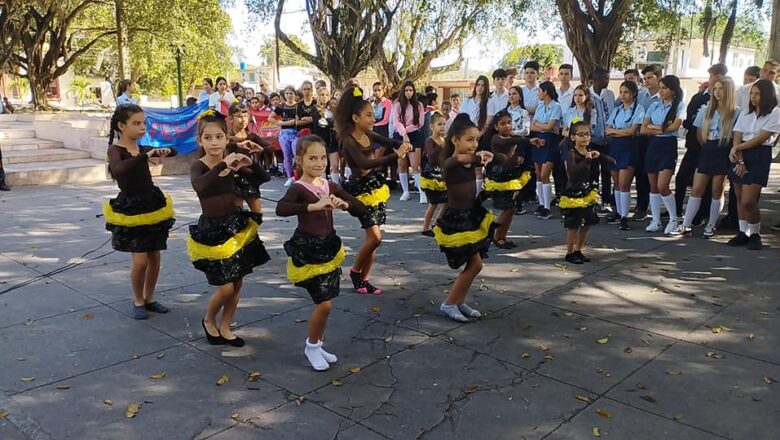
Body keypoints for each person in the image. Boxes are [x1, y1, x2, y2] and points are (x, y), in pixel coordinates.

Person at [276, 135, 366, 371]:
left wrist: (346, 205)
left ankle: (318, 344)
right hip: (308, 252)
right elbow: (281, 208)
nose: (319, 163)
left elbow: (359, 206)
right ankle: (312, 346)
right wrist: (312, 206)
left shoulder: (328, 185)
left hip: (328, 249)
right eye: (312, 158)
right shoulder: (299, 188)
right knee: (324, 304)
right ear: (299, 160)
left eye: (322, 158)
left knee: (328, 301)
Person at [188, 110, 271, 347]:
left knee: (237, 281)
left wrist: (249, 163)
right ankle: (208, 319)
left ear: (226, 138)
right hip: (213, 231)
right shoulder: (200, 165)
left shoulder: (233, 160)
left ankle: (226, 325)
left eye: (219, 137)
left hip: (235, 226)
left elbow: (263, 177)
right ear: (200, 140)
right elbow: (200, 187)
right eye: (208, 138)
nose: (214, 142)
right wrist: (222, 165)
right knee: (224, 286)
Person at [335, 86, 411, 295]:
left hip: (375, 187)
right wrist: (396, 156)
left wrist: (404, 143)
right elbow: (364, 164)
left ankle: (364, 280)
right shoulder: (348, 140)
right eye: (368, 115)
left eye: (373, 114)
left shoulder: (368, 133)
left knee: (373, 243)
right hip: (360, 193)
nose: (372, 118)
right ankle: (355, 272)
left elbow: (390, 141)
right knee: (375, 238)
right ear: (355, 117)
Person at [103, 104, 176, 320]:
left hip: (152, 203)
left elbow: (175, 150)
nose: (142, 127)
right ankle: (137, 299)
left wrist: (166, 151)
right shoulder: (115, 150)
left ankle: (149, 298)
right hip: (131, 209)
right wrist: (145, 156)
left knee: (154, 256)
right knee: (140, 260)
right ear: (121, 126)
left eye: (144, 123)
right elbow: (118, 169)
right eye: (136, 123)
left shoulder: (143, 148)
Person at [434, 114, 496, 322]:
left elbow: (483, 159)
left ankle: (459, 301)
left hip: (471, 216)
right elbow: (461, 159)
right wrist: (480, 158)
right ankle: (449, 303)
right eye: (469, 140)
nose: (474, 144)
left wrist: (488, 156)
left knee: (475, 265)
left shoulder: (471, 160)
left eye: (476, 140)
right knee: (475, 265)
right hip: (457, 221)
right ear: (454, 140)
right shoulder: (450, 161)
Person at [671, 76, 740, 238]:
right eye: (714, 89)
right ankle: (685, 225)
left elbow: (737, 135)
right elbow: (699, 133)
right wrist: (707, 145)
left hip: (724, 150)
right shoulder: (706, 109)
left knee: (717, 189)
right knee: (697, 188)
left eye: (721, 89)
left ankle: (711, 225)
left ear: (729, 91)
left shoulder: (737, 112)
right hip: (708, 150)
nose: (717, 92)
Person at [726, 80, 780, 250]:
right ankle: (743, 232)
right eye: (752, 93)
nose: (753, 97)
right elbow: (737, 135)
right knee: (739, 196)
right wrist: (739, 158)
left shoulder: (775, 113)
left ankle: (755, 233)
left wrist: (737, 147)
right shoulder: (745, 113)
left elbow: (762, 138)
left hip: (759, 154)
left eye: (757, 94)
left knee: (749, 200)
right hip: (741, 153)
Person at [674, 64, 727, 225]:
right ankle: (676, 210)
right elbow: (690, 119)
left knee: (711, 186)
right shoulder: (700, 97)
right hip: (695, 146)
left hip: (716, 150)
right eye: (711, 77)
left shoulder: (730, 105)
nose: (712, 81)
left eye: (716, 77)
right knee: (682, 177)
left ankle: (702, 216)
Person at [561, 120, 616, 264]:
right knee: (574, 224)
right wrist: (586, 160)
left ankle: (579, 250)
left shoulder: (590, 151)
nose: (585, 137)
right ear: (573, 137)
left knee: (587, 223)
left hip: (587, 191)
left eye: (587, 134)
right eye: (581, 135)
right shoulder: (572, 153)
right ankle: (569, 252)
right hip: (574, 192)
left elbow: (605, 160)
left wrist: (604, 157)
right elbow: (573, 171)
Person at [485, 110, 541, 248]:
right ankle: (497, 236)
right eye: (503, 124)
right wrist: (528, 140)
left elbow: (516, 140)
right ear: (496, 126)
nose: (507, 126)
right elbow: (509, 142)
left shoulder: (512, 136)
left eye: (509, 123)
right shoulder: (496, 138)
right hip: (501, 178)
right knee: (508, 208)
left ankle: (503, 236)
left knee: (513, 208)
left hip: (512, 175)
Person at [640, 75, 685, 234]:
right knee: (653, 185)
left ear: (673, 90)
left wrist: (655, 127)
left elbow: (674, 127)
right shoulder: (654, 106)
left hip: (668, 146)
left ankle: (674, 219)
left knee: (662, 185)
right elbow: (643, 129)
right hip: (653, 145)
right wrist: (659, 128)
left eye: (664, 88)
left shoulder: (679, 106)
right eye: (660, 88)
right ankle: (656, 220)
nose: (661, 92)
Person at [605, 80, 645, 231]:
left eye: (626, 92)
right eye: (621, 92)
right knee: (617, 183)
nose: (622, 95)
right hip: (615, 147)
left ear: (633, 94)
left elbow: (631, 131)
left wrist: (616, 131)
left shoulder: (639, 109)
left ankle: (624, 217)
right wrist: (619, 131)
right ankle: (619, 212)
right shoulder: (617, 110)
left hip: (629, 147)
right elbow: (607, 129)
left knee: (624, 183)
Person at [228, 103, 275, 212]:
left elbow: (270, 148)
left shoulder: (252, 136)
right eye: (239, 116)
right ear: (231, 119)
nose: (243, 119)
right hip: (233, 178)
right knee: (237, 214)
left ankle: (254, 229)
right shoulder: (226, 137)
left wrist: (262, 149)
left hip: (250, 177)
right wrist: (236, 143)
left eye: (245, 116)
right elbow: (221, 146)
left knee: (257, 214)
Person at [633, 64, 664, 221]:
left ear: (658, 77)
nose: (646, 81)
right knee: (641, 173)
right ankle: (641, 206)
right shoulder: (640, 95)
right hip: (641, 138)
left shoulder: (664, 96)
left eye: (650, 77)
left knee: (658, 175)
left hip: (658, 139)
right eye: (644, 78)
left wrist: (650, 126)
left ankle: (657, 209)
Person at [529, 81, 562, 220]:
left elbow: (551, 126)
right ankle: (542, 205)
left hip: (550, 141)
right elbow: (532, 126)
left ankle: (547, 207)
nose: (538, 94)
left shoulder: (556, 106)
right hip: (538, 140)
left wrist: (540, 125)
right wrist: (542, 126)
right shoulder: (540, 106)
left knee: (545, 174)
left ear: (546, 92)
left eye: (539, 91)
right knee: (538, 174)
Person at [392, 81, 426, 202]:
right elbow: (396, 122)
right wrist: (404, 133)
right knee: (402, 164)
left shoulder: (419, 105)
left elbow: (420, 123)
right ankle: (406, 191)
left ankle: (422, 192)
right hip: (400, 136)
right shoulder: (397, 105)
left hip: (415, 135)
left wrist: (409, 132)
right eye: (406, 90)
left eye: (411, 90)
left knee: (416, 165)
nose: (408, 93)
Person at [459, 75, 491, 192]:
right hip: (465, 137)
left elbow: (488, 122)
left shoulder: (488, 102)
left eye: (483, 85)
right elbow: (460, 118)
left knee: (477, 169)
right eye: (478, 84)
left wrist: (478, 135)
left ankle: (476, 195)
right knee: (465, 165)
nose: (480, 88)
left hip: (480, 138)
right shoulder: (467, 101)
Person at [420, 112, 449, 236]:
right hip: (432, 175)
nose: (442, 127)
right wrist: (441, 145)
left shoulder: (445, 140)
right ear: (432, 126)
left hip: (442, 174)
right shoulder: (429, 140)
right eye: (439, 124)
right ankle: (425, 228)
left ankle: (438, 222)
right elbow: (431, 157)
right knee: (433, 203)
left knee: (447, 201)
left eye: (444, 124)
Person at [268, 85, 299, 186]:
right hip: (284, 134)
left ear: (295, 94)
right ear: (284, 95)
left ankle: (298, 176)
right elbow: (270, 118)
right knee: (287, 156)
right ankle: (289, 177)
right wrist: (280, 122)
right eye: (287, 93)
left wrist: (294, 122)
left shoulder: (298, 106)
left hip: (296, 133)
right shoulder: (281, 106)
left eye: (291, 93)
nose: (289, 95)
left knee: (297, 154)